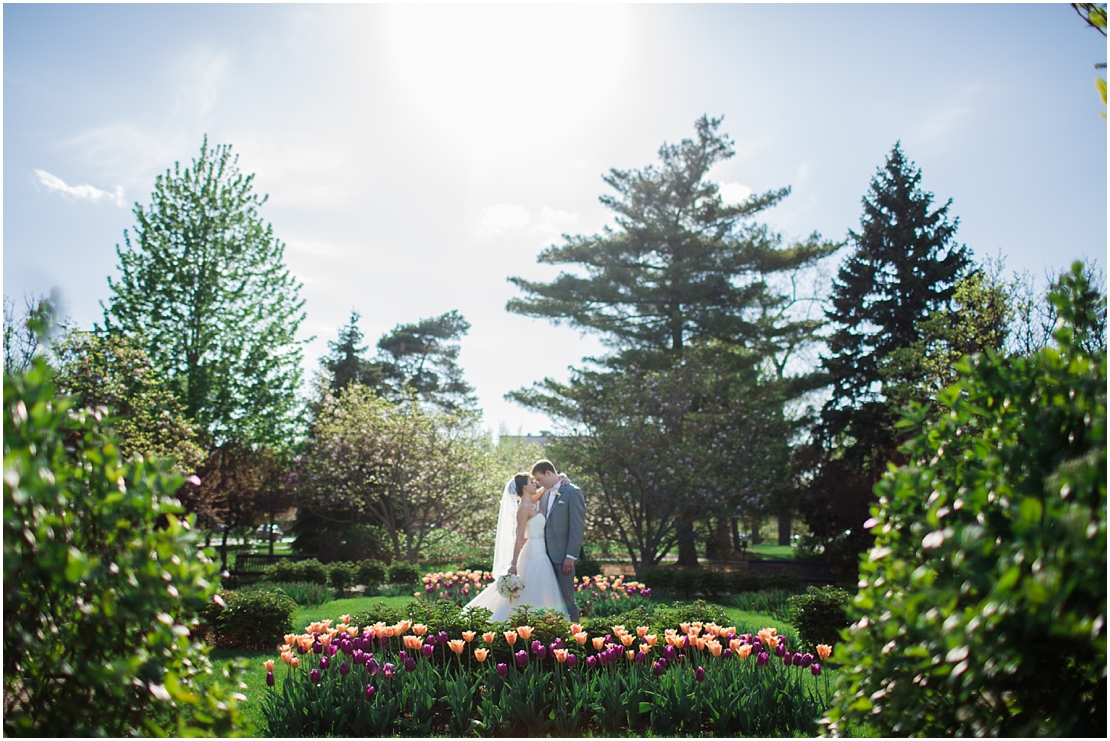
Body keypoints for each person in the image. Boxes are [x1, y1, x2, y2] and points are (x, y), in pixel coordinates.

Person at [462, 473, 568, 622]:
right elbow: (519, 537)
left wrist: (559, 479)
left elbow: (541, 493)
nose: (535, 484)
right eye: (532, 482)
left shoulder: (530, 503)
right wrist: (513, 564)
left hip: (540, 552)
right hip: (533, 554)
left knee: (537, 591)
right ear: (525, 487)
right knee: (531, 590)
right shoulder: (523, 508)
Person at [531, 459, 586, 622]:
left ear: (548, 473)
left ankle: (575, 634)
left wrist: (571, 556)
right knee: (547, 601)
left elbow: (577, 527)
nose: (539, 484)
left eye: (540, 479)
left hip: (563, 557)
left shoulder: (573, 492)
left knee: (566, 599)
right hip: (543, 556)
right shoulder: (545, 493)